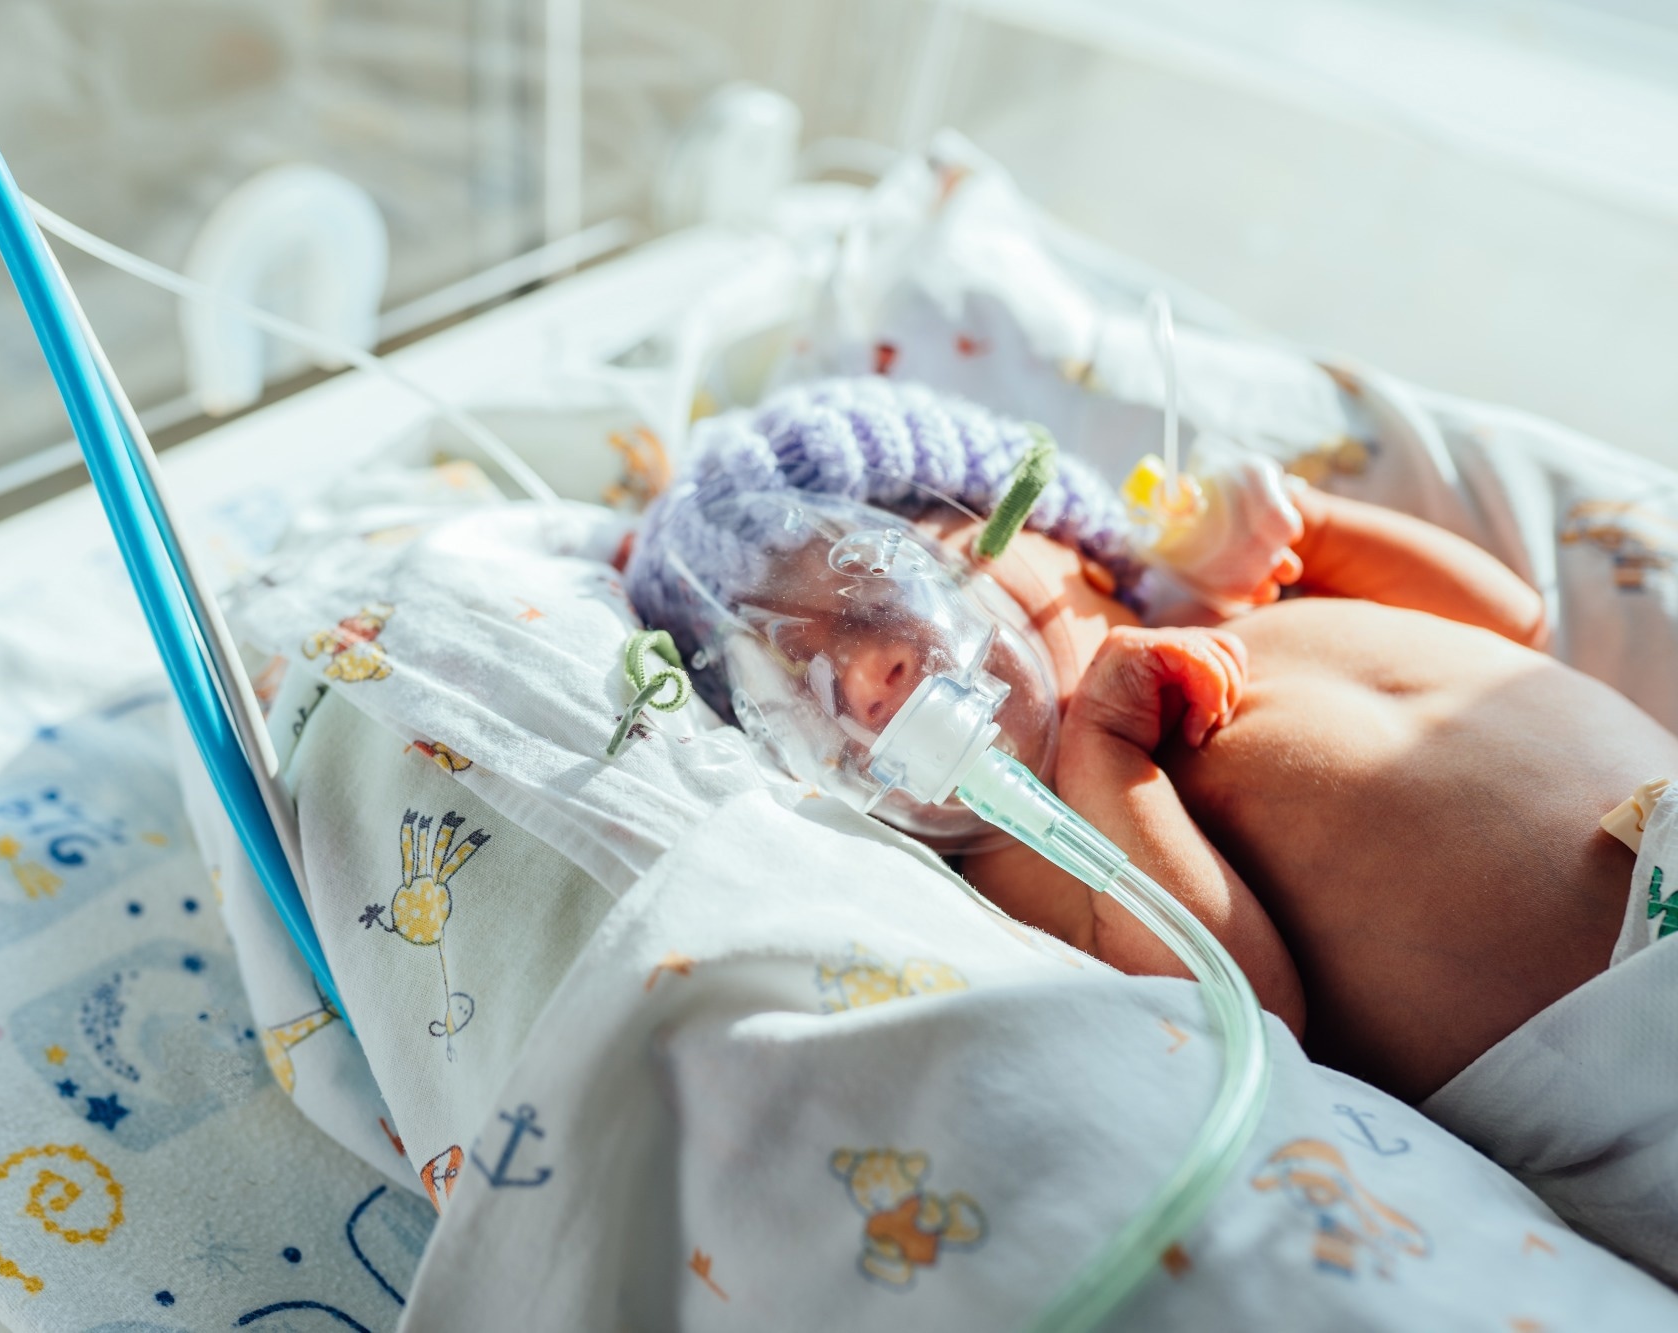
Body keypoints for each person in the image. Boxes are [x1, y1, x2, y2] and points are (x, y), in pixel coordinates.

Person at [624, 377, 1678, 1104]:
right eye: (798, 692)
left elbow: (1509, 626)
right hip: (1614, 1062)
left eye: (876, 584)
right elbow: (1248, 1008)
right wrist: (1108, 760)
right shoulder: (1036, 851)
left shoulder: (1254, 610)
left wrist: (1313, 525)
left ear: (1046, 530)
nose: (862, 679)